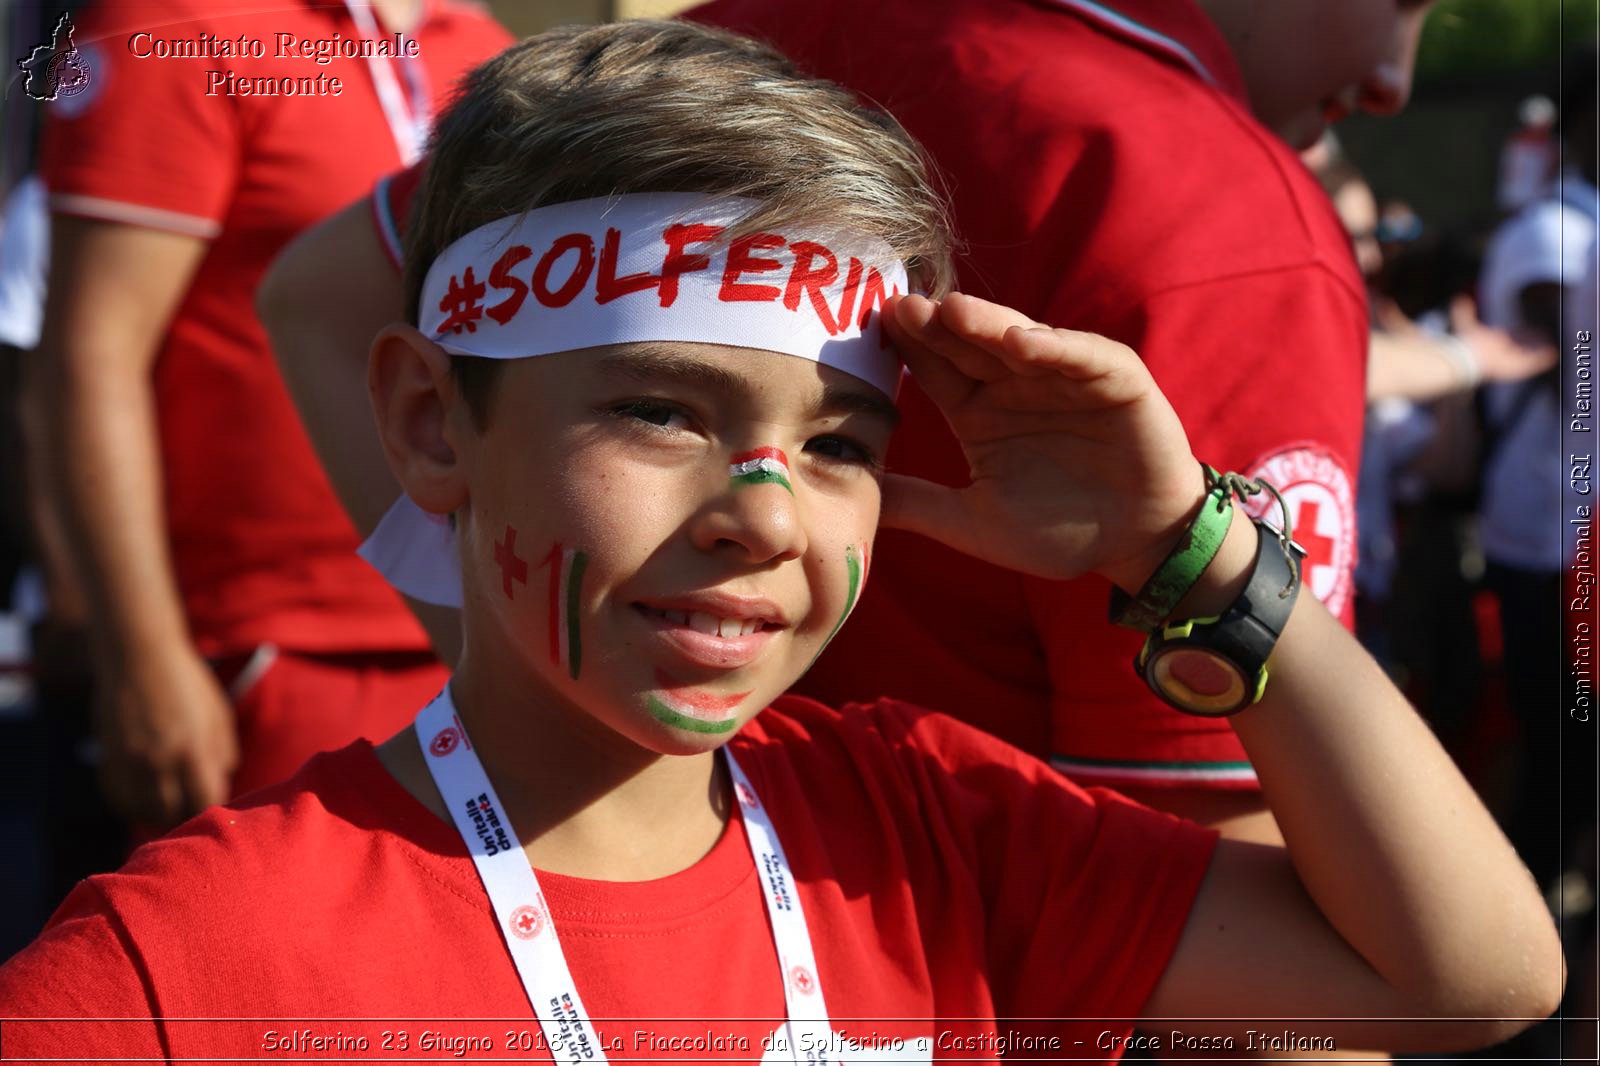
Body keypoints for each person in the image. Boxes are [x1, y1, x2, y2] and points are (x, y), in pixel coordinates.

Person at [0, 21, 1563, 1058]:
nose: (762, 515)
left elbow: (1475, 970)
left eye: (839, 447)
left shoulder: (925, 829)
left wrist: (1194, 549)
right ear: (427, 424)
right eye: (663, 412)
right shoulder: (178, 966)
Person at [268, 0, 1436, 841]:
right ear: (429, 421)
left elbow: (316, 295)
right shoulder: (1224, 218)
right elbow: (1253, 882)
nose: (1395, 79)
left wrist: (534, 684)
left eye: (842, 444)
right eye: (1403, 0)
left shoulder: (730, 48)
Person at [25, 0, 510, 830]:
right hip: (269, 650)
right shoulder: (178, 23)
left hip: (481, 634)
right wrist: (139, 651)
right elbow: (88, 358)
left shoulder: (477, 45)